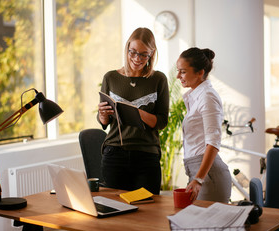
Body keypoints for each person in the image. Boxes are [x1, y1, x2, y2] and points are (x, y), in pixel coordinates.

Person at [97, 27, 169, 195]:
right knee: (114, 209)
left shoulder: (158, 79)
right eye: (133, 52)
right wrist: (102, 115)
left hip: (146, 155)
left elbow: (162, 122)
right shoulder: (110, 78)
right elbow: (104, 123)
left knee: (147, 211)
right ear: (127, 49)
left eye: (144, 54)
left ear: (152, 54)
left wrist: (136, 112)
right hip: (114, 152)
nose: (137, 58)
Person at [176, 47, 232, 203]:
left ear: (200, 72)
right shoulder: (196, 96)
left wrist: (199, 179)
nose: (177, 76)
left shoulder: (207, 97)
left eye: (183, 71)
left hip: (208, 177)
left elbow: (213, 143)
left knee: (206, 226)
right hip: (198, 175)